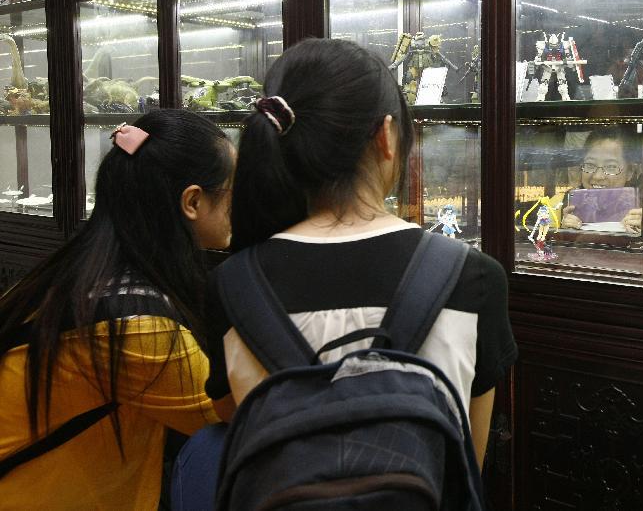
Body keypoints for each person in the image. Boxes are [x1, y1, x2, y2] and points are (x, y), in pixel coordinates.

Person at [189, 38, 516, 505]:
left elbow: (234, 421)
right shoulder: (472, 278)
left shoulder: (232, 285)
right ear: (386, 135)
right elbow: (468, 461)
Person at [0, 110, 235, 510]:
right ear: (193, 201)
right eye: (235, 188)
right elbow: (230, 418)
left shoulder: (73, 272)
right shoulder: (138, 328)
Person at [561, 125, 643, 232]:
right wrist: (565, 233)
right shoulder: (572, 204)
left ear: (630, 172)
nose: (597, 176)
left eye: (611, 167)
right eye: (590, 165)